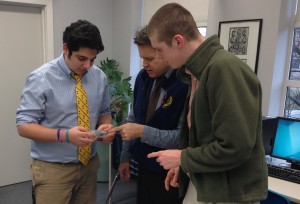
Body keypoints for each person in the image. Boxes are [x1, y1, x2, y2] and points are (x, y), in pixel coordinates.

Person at [147, 3, 268, 204]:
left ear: (178, 41)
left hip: (228, 193)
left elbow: (235, 147)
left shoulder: (223, 69)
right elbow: (204, 137)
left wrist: (183, 158)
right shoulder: (195, 73)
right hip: (207, 183)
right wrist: (184, 164)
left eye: (160, 49)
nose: (159, 57)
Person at [16, 20, 114, 204]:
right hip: (53, 170)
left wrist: (105, 127)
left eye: (92, 59)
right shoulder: (41, 78)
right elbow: (23, 126)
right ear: (66, 48)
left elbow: (104, 112)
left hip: (88, 166)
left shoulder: (99, 76)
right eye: (81, 58)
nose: (87, 65)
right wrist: (65, 135)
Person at [111, 26, 188, 204]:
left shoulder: (185, 84)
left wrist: (142, 132)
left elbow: (182, 138)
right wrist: (125, 158)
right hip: (143, 167)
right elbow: (133, 119)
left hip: (170, 173)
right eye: (142, 58)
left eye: (150, 58)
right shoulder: (143, 77)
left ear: (166, 52)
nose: (145, 64)